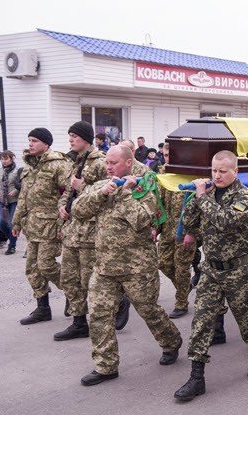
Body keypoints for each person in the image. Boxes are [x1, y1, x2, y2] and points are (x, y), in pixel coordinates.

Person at [72, 145, 183, 386]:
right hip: (104, 266)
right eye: (107, 163)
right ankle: (106, 366)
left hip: (137, 267)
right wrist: (102, 193)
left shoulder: (145, 187)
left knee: (148, 310)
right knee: (99, 315)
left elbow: (143, 221)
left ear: (129, 163)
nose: (108, 167)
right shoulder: (101, 185)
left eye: (113, 163)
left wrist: (123, 193)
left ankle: (171, 341)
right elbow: (77, 210)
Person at [173, 151, 248, 402]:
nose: (216, 176)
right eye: (214, 170)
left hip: (237, 270)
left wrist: (202, 196)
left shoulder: (245, 197)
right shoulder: (207, 193)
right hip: (211, 269)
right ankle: (197, 377)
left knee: (245, 318)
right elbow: (190, 222)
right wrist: (193, 200)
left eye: (222, 171)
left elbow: (224, 220)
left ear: (235, 172)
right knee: (201, 320)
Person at [54, 121, 108, 341]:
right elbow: (68, 190)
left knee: (89, 281)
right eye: (69, 136)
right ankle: (78, 322)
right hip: (72, 231)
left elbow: (107, 195)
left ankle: (104, 318)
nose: (70, 140)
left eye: (74, 136)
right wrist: (62, 207)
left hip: (90, 232)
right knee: (69, 278)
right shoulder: (76, 161)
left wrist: (81, 188)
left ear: (86, 138)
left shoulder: (101, 163)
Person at [12, 128, 71, 326]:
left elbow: (69, 192)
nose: (30, 144)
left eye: (35, 140)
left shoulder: (58, 164)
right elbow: (23, 196)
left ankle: (74, 292)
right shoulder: (29, 165)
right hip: (32, 226)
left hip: (50, 225)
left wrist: (63, 222)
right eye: (29, 140)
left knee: (46, 265)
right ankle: (43, 308)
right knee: (32, 268)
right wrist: (17, 221)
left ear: (46, 144)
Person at [157, 142, 198, 319]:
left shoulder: (191, 174)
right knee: (164, 263)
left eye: (171, 156)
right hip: (167, 228)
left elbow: (198, 206)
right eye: (165, 156)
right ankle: (184, 287)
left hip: (185, 229)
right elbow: (159, 202)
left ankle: (181, 303)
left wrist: (193, 231)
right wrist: (155, 227)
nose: (168, 160)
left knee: (182, 267)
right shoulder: (163, 174)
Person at [0, 150, 23, 255]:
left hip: (13, 201)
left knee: (11, 224)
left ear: (11, 159)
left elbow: (23, 184)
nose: (4, 161)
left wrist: (16, 191)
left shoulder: (18, 171)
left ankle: (12, 246)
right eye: (2, 159)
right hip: (2, 201)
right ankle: (12, 237)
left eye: (6, 159)